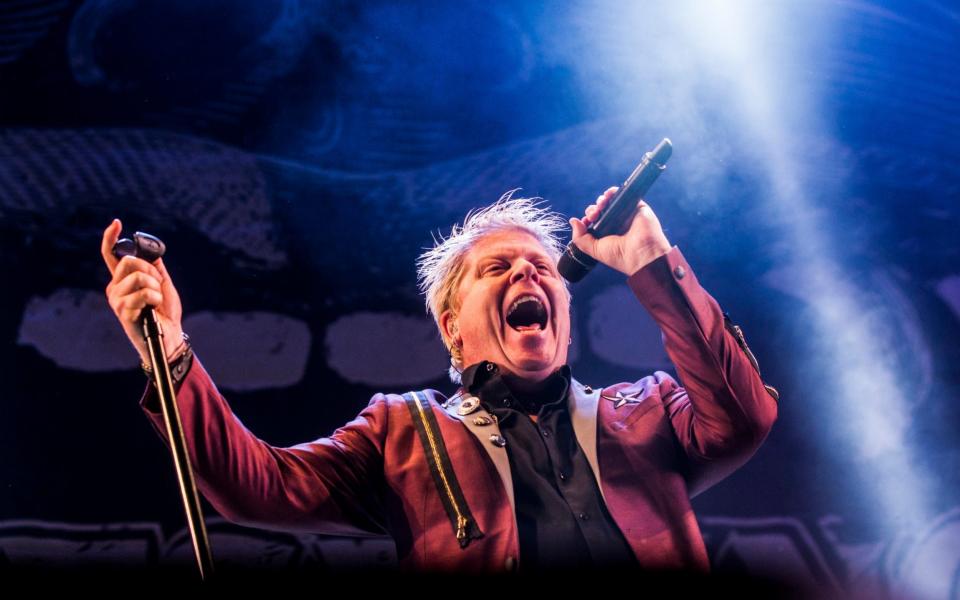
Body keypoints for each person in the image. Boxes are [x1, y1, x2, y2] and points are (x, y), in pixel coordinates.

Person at [100, 186, 778, 574]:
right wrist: (171, 350)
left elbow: (745, 418)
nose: (527, 274)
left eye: (542, 267)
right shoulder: (403, 433)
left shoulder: (649, 409)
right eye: (498, 267)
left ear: (566, 318)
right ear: (453, 326)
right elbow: (259, 487)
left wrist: (651, 262)